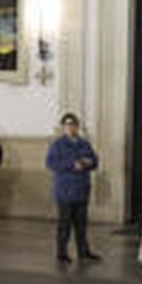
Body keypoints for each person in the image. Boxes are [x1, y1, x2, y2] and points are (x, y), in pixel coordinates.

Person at [45, 112, 99, 263]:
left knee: (81, 225)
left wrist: (89, 163)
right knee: (65, 224)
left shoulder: (84, 143)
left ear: (77, 126)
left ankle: (83, 251)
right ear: (63, 127)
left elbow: (95, 160)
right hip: (65, 191)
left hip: (82, 190)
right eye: (68, 125)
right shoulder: (57, 145)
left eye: (73, 124)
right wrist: (72, 164)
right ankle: (62, 253)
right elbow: (51, 163)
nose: (71, 127)